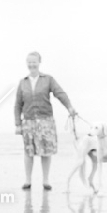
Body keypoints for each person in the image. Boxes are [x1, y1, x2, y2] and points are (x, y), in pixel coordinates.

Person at [14, 52, 76, 190]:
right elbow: (18, 104)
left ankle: (46, 181)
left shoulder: (48, 79)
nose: (31, 64)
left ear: (39, 62)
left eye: (34, 62)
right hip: (28, 121)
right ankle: (28, 180)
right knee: (28, 151)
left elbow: (60, 94)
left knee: (46, 151)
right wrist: (18, 124)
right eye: (29, 62)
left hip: (45, 121)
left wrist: (70, 107)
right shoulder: (22, 82)